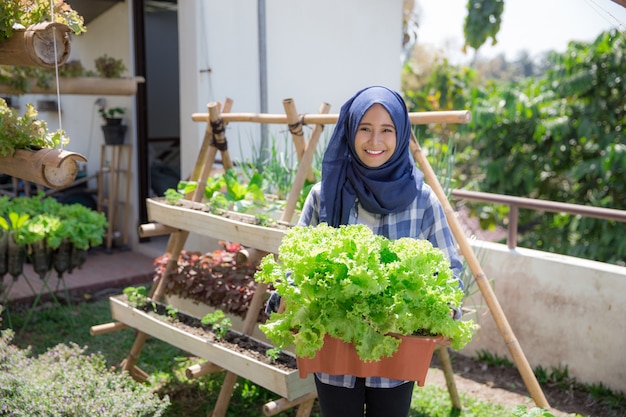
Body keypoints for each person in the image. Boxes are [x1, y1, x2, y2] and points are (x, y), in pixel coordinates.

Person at [296, 85, 464, 417]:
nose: (375, 141)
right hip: (334, 348)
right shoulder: (323, 195)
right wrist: (289, 298)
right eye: (365, 129)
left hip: (398, 351)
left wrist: (445, 309)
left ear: (401, 135)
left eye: (387, 130)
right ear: (350, 130)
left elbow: (450, 270)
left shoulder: (423, 200)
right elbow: (293, 262)